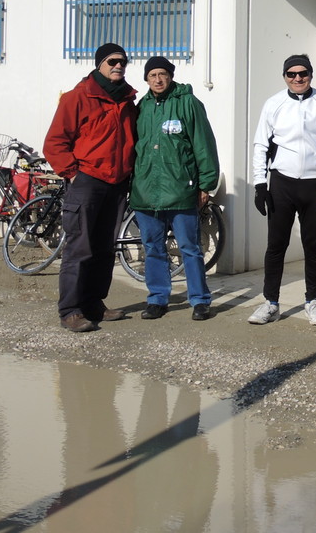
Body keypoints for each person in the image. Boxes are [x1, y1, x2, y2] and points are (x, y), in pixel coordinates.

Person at [43, 42, 139, 332]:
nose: (118, 66)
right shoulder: (78, 97)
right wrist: (72, 173)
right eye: (112, 61)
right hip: (87, 180)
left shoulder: (127, 99)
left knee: (104, 248)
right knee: (80, 248)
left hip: (116, 183)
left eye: (122, 61)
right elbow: (55, 141)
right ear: (100, 64)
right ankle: (70, 310)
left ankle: (94, 303)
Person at [248, 54, 316, 326]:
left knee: (313, 245)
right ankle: (270, 302)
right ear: (284, 76)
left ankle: (312, 300)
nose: (298, 78)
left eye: (303, 73)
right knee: (276, 245)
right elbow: (261, 145)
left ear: (311, 74)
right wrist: (260, 184)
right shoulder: (273, 103)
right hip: (282, 183)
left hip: (314, 184)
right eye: (291, 74)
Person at [131, 56, 220, 322]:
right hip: (146, 192)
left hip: (181, 190)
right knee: (154, 247)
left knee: (190, 247)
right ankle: (158, 299)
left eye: (162, 74)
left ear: (171, 76)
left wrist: (206, 183)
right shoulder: (141, 107)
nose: (158, 80)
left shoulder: (188, 103)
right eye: (152, 75)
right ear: (146, 79)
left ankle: (200, 300)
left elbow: (204, 145)